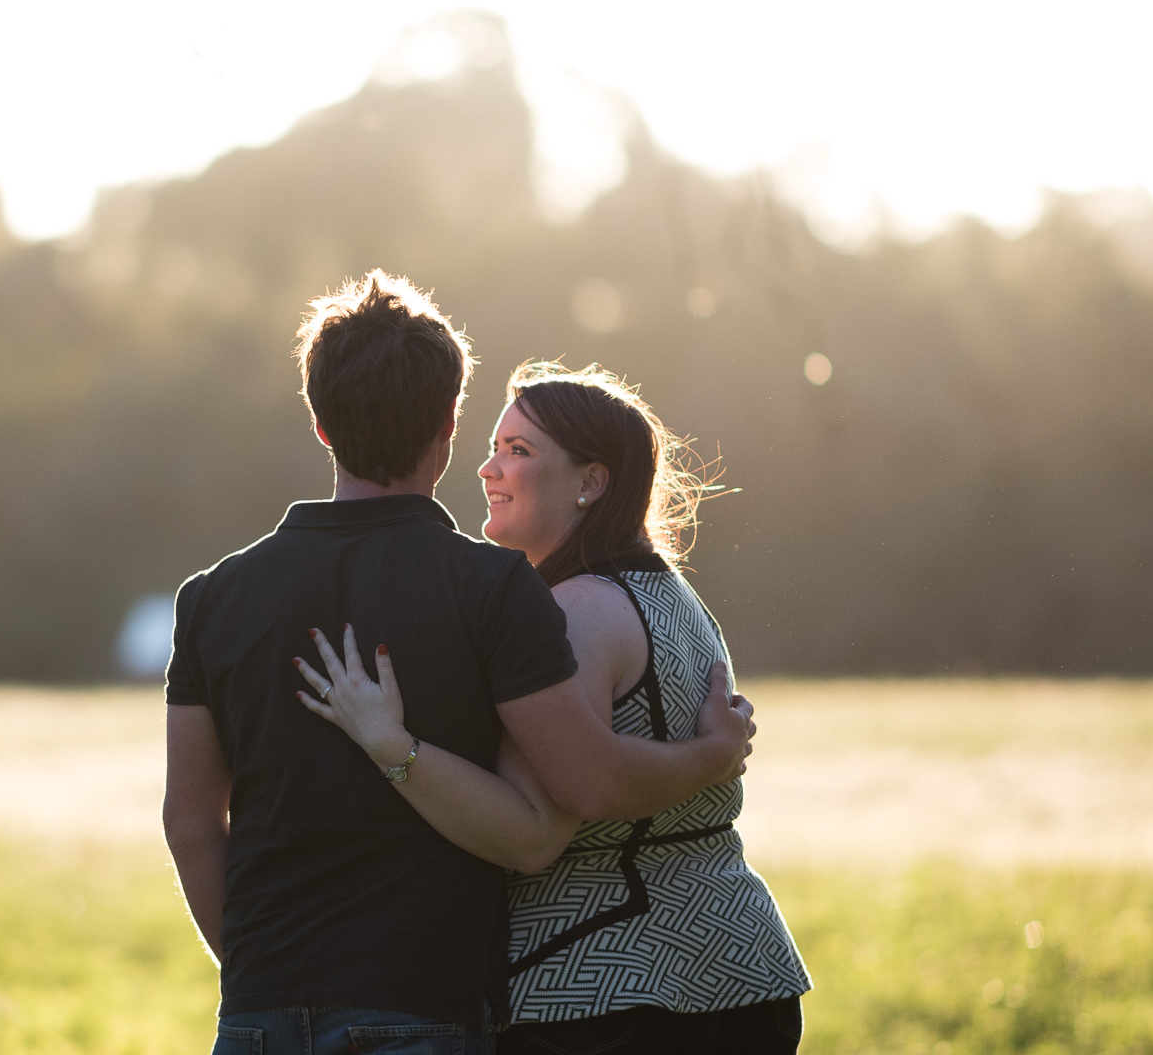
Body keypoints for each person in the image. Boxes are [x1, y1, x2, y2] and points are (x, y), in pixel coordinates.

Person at [163, 276, 756, 1055]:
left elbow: (191, 820)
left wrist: (250, 970)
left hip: (258, 1012)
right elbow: (555, 812)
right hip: (423, 1006)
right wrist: (710, 758)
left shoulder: (212, 598)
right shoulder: (492, 588)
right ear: (448, 423)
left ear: (318, 423)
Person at [297, 362, 810, 1052]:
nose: (488, 470)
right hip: (742, 965)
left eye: (519, 452)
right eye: (492, 447)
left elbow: (584, 784)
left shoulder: (571, 609)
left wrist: (393, 745)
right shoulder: (676, 597)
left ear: (591, 483)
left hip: (612, 986)